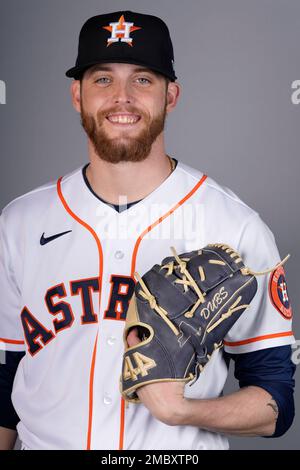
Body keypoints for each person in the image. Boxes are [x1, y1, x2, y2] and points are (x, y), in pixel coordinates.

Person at [0, 10, 295, 450]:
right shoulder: (20, 223)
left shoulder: (234, 226)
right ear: (77, 95)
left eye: (143, 80)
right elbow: (7, 373)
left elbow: (276, 401)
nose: (122, 97)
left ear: (170, 96)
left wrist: (182, 412)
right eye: (102, 79)